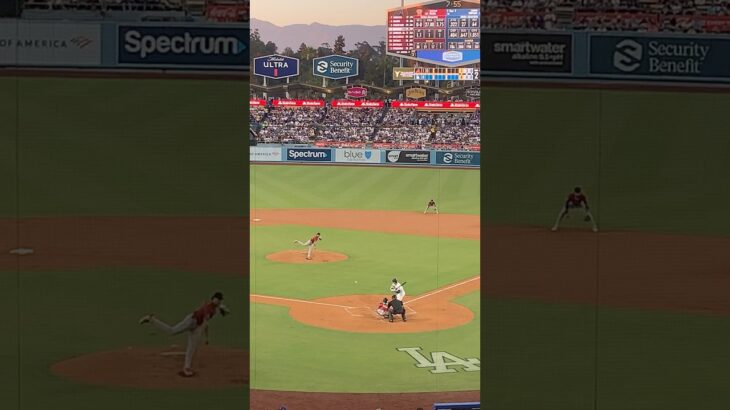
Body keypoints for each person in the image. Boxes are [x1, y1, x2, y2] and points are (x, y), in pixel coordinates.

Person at [138, 292, 230, 377]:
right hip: (190, 321)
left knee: (192, 347)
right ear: (213, 298)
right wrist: (205, 336)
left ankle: (187, 367)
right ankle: (151, 319)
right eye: (217, 299)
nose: (218, 301)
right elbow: (205, 323)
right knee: (172, 331)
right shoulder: (207, 308)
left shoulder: (214, 308)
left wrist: (222, 309)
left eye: (220, 300)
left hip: (197, 326)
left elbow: (216, 310)